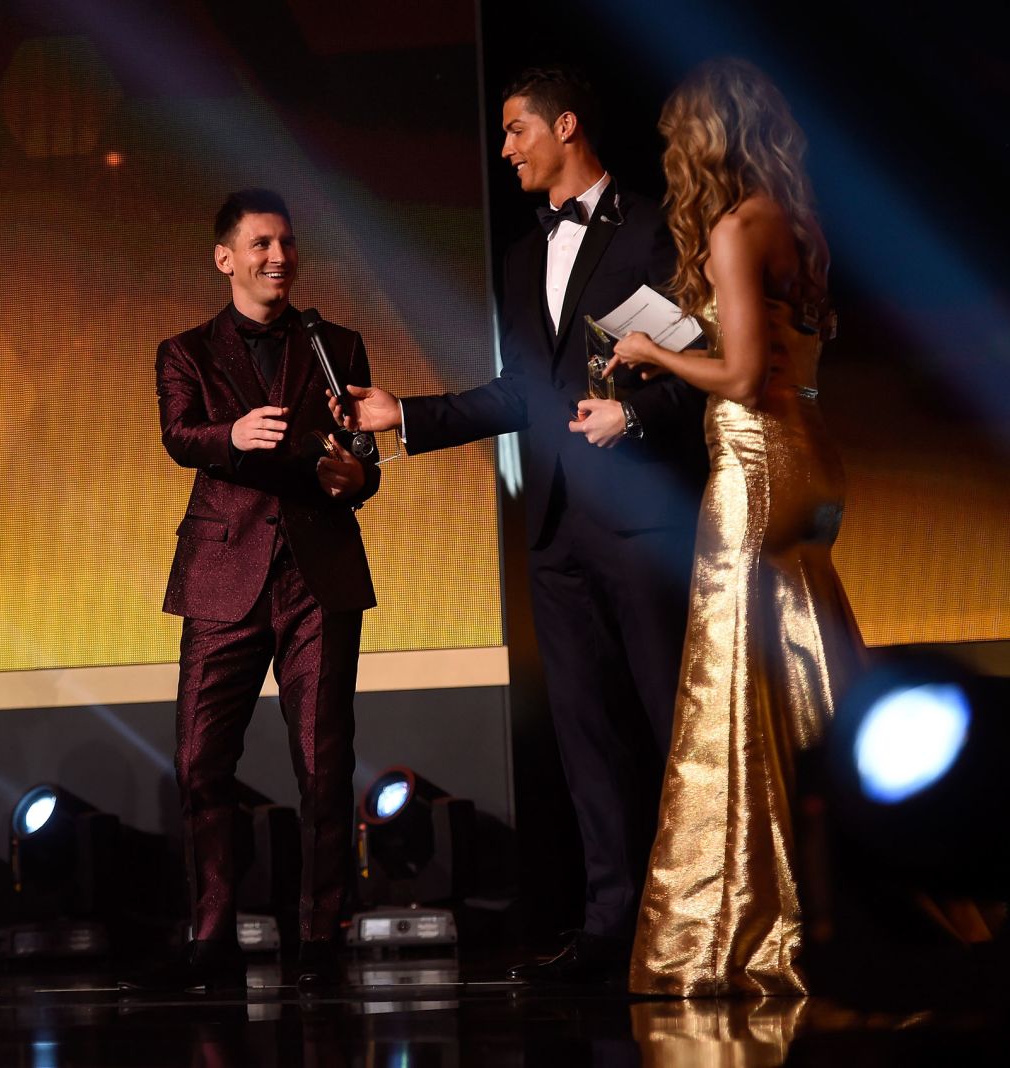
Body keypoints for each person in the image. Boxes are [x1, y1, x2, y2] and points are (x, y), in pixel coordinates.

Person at [332, 68, 708, 984]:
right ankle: (613, 927)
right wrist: (407, 419)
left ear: (565, 125)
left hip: (642, 520)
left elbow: (708, 356)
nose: (503, 150)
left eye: (514, 131)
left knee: (673, 728)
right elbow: (523, 394)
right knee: (583, 737)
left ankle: (700, 922)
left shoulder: (657, 228)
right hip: (553, 534)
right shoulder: (516, 255)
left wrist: (639, 416)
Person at [607, 58, 863, 997]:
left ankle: (735, 926)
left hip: (754, 467)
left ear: (704, 138)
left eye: (678, 142)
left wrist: (652, 355)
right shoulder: (792, 223)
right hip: (813, 461)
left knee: (727, 695)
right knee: (810, 674)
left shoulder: (732, 228)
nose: (673, 159)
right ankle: (863, 886)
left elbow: (745, 378)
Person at [137, 188, 381, 994]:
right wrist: (232, 437)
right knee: (201, 762)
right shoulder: (188, 351)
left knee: (323, 765)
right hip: (224, 573)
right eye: (260, 244)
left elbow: (362, 464)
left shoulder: (334, 344)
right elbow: (179, 434)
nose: (278, 257)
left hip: (317, 576)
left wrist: (353, 477)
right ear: (226, 257)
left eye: (286, 243)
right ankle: (212, 933)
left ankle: (320, 936)